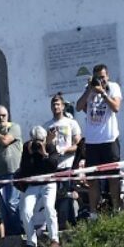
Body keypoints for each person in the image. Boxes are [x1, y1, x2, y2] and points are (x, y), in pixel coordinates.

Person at [76, 63, 123, 215]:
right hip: (92, 141)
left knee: (113, 177)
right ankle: (94, 213)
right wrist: (90, 89)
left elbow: (116, 107)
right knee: (92, 179)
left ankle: (116, 209)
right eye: (98, 78)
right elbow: (78, 107)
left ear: (107, 76)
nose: (100, 80)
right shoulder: (89, 89)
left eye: (103, 77)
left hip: (109, 139)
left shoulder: (113, 87)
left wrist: (103, 93)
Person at [15, 126, 60, 247]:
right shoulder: (27, 147)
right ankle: (31, 240)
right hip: (33, 183)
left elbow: (53, 167)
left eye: (40, 140)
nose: (38, 144)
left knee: (49, 207)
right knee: (25, 210)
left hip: (49, 183)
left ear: (45, 138)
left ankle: (54, 239)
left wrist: (44, 153)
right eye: (36, 141)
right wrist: (29, 154)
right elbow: (24, 171)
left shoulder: (50, 146)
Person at [45, 93, 83, 229]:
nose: (55, 107)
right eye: (53, 104)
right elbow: (44, 148)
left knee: (68, 196)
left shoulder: (71, 123)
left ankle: (71, 224)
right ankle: (59, 226)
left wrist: (64, 150)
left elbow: (77, 144)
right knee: (55, 198)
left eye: (58, 104)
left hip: (68, 165)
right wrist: (49, 142)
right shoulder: (47, 125)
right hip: (54, 167)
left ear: (63, 106)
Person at [0, 108, 23, 236]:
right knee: (3, 207)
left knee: (12, 203)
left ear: (8, 115)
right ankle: (9, 234)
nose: (1, 118)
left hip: (13, 171)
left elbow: (5, 141)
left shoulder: (15, 127)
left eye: (3, 115)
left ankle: (17, 233)